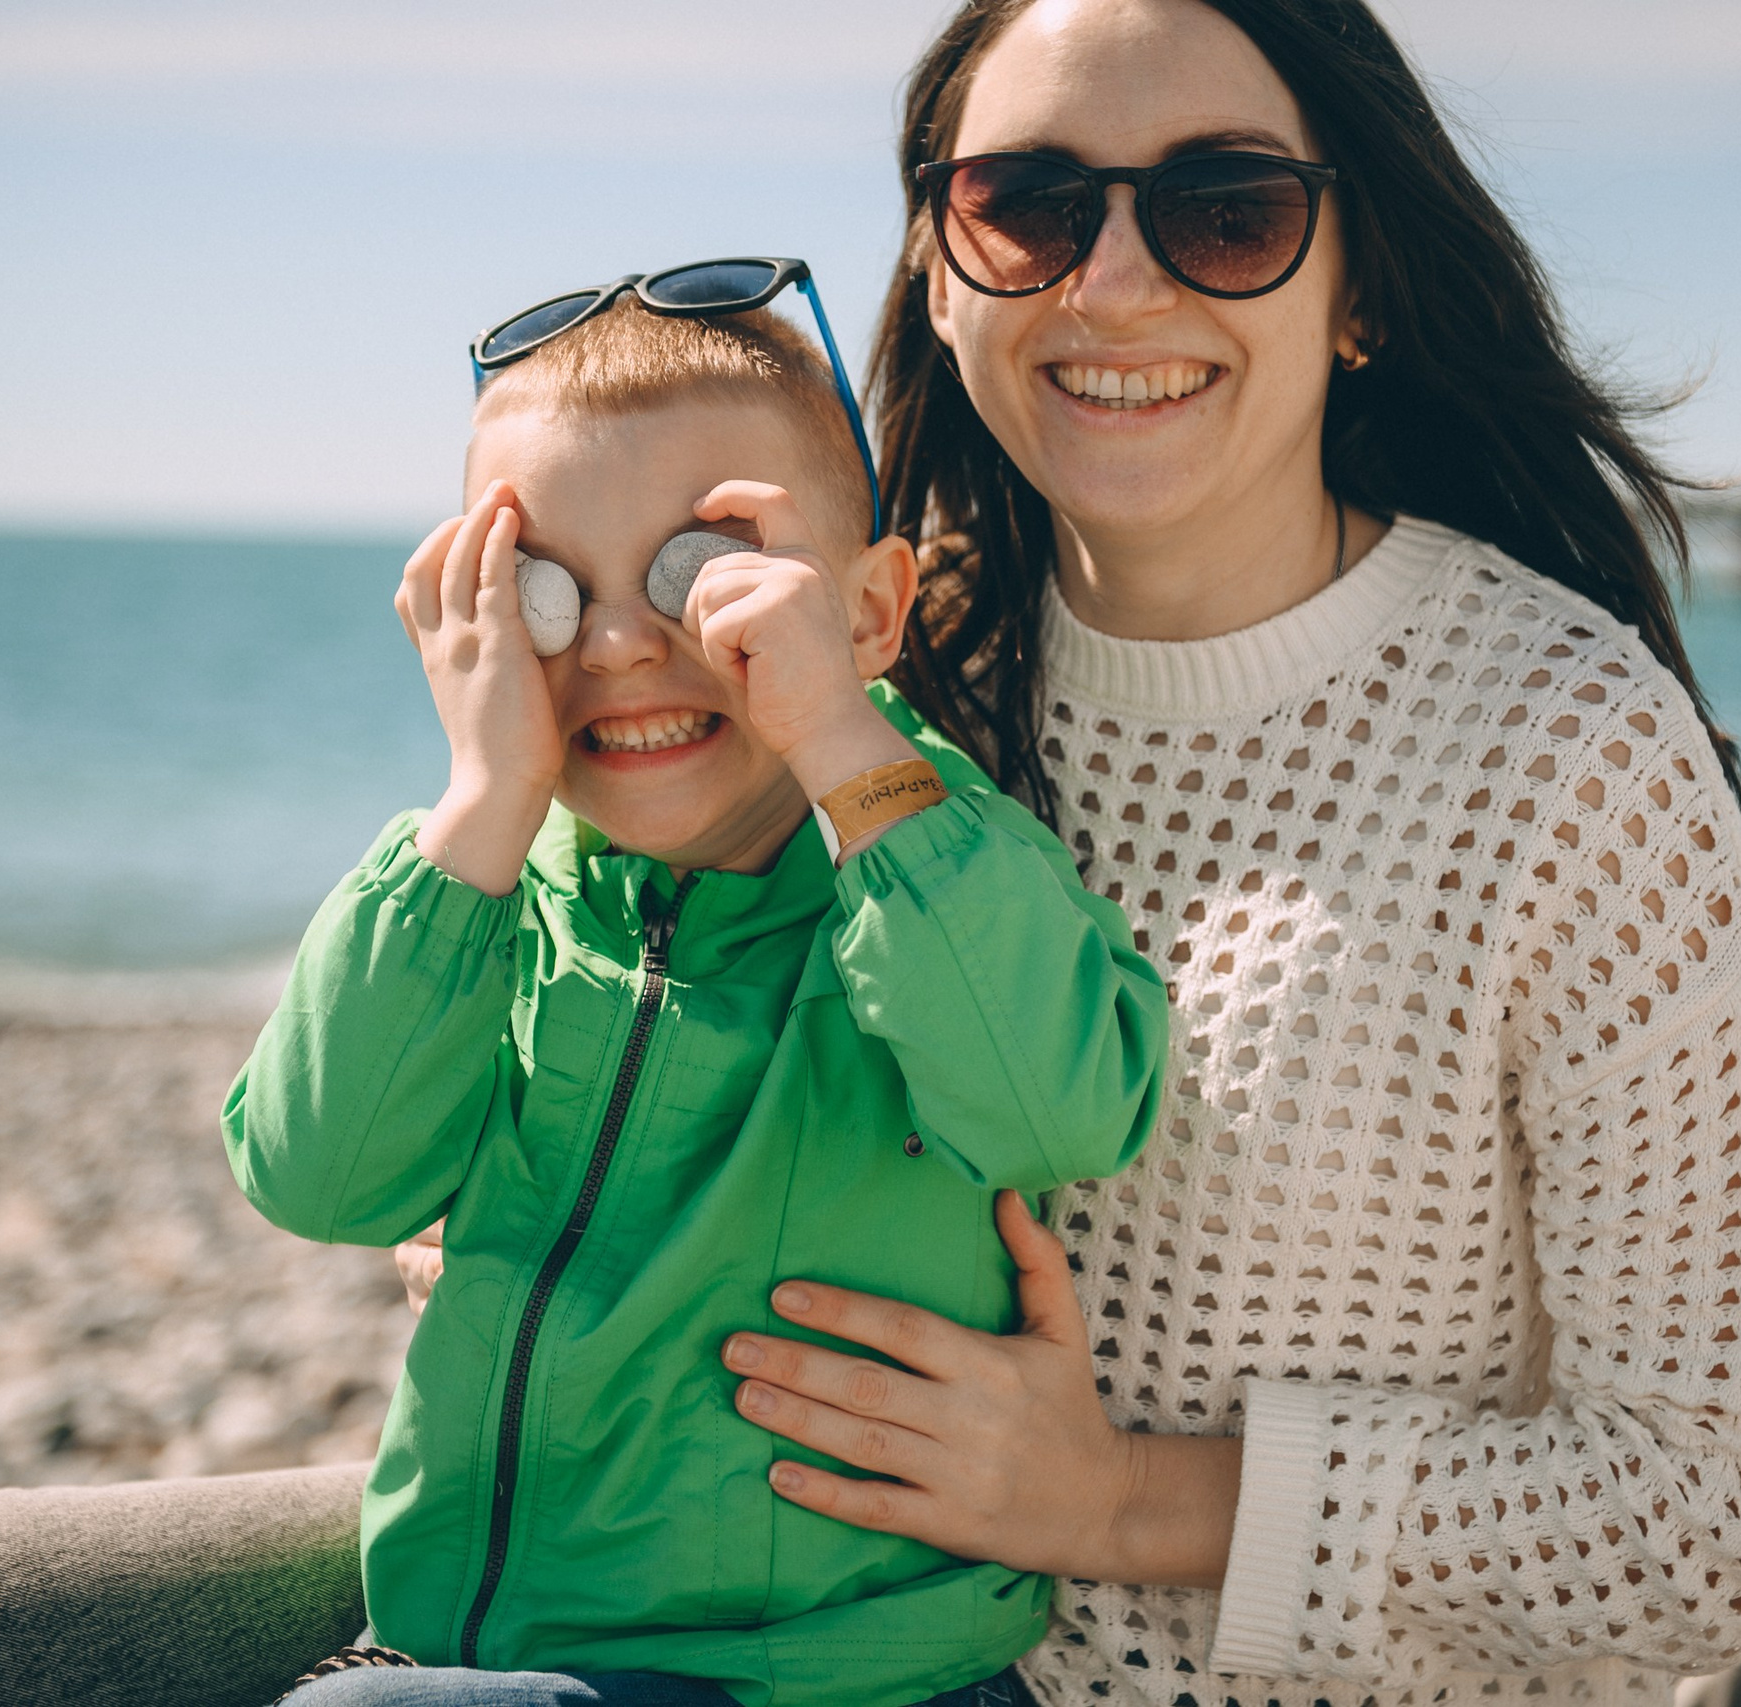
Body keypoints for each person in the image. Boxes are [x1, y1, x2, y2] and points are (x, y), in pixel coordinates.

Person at [0, 3, 1741, 1705]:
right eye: (1026, 203)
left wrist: (1121, 1501)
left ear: (1356, 290)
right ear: (942, 277)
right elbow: (454, 1088)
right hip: (659, 1537)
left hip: (1116, 1663)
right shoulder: (853, 653)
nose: (1111, 271)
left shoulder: (1553, 746)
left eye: (1222, 208)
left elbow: (1726, 1507)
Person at [233, 285, 1164, 1707]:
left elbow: (1061, 1112)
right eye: (543, 590)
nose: (614, 644)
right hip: (480, 1656)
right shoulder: (502, 895)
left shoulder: (930, 858)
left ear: (868, 610)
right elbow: (323, 1177)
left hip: (833, 1680)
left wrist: (843, 743)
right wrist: (483, 801)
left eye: (697, 576)